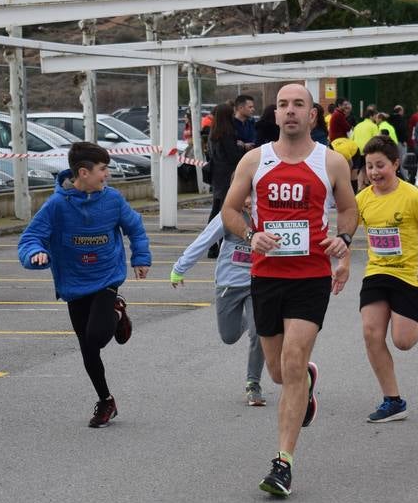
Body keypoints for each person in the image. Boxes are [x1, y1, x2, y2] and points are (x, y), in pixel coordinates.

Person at [222, 83, 357, 499]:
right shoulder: (254, 160)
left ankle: (283, 463)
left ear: (313, 115)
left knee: (294, 361)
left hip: (310, 276)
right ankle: (306, 383)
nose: (291, 111)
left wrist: (344, 240)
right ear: (275, 115)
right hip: (266, 276)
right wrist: (251, 234)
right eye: (283, 105)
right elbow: (229, 209)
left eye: (299, 104)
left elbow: (350, 209)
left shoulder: (330, 161)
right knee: (280, 372)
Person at [17, 142, 152, 428]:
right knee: (88, 350)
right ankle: (106, 401)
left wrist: (141, 257)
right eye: (103, 170)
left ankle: (116, 313)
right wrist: (35, 255)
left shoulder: (112, 200)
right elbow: (30, 239)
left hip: (106, 278)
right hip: (74, 283)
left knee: (96, 337)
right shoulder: (56, 206)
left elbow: (135, 227)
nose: (107, 175)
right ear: (83, 172)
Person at [347, 134, 418, 423]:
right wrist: (342, 262)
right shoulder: (361, 199)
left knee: (401, 341)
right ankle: (393, 400)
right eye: (369, 166)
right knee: (371, 332)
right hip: (377, 272)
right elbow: (345, 234)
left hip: (409, 272)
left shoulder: (413, 197)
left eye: (381, 165)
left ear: (396, 164)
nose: (374, 172)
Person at [171, 202, 267, 408]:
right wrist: (179, 268)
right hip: (228, 284)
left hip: (258, 283)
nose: (248, 201)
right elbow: (204, 240)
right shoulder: (229, 216)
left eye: (251, 194)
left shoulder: (267, 214)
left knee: (259, 330)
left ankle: (253, 383)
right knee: (229, 336)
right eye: (243, 195)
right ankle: (247, 322)